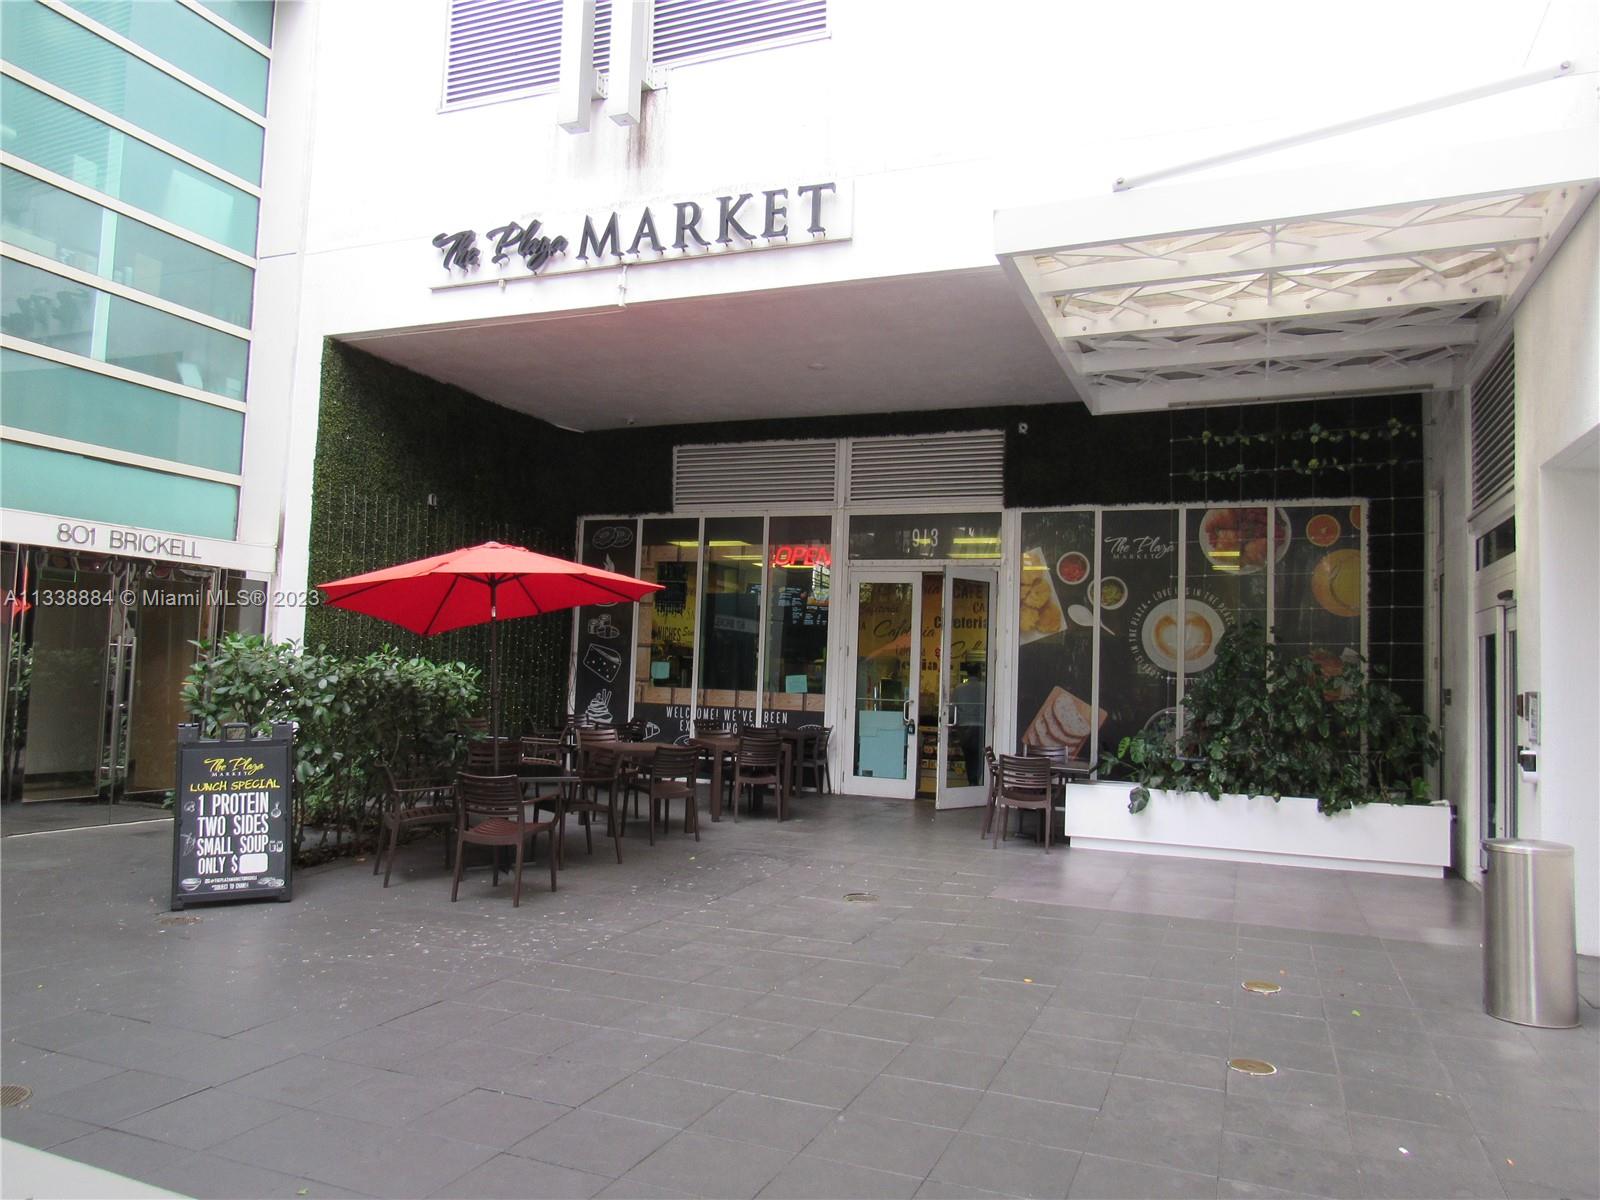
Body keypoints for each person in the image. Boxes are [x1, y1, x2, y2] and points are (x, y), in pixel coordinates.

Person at [953, 664, 987, 786]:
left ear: (967, 673)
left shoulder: (959, 688)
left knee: (969, 756)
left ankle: (972, 781)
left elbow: (952, 709)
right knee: (980, 756)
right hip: (981, 726)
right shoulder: (985, 687)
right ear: (979, 673)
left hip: (964, 727)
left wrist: (953, 722)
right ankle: (977, 781)